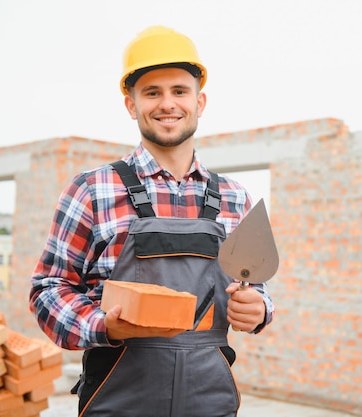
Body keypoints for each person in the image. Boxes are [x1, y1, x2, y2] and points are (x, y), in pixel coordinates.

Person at [29, 26, 274, 417]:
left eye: (179, 91)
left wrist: (259, 308)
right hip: (118, 401)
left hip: (209, 402)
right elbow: (48, 291)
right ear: (131, 105)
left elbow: (253, 286)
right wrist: (102, 326)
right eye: (152, 92)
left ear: (200, 101)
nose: (167, 104)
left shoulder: (233, 197)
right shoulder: (92, 189)